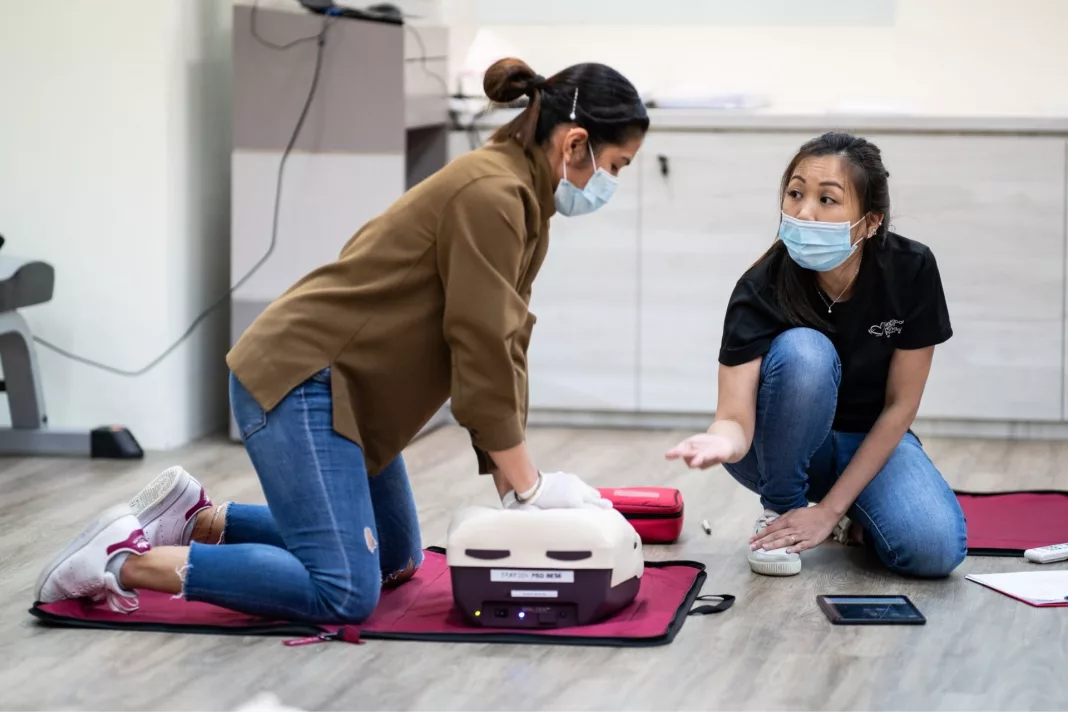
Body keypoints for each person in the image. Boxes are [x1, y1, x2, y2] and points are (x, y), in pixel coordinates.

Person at [34, 58, 649, 621]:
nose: (610, 183)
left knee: (396, 559)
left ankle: (198, 521)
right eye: (615, 166)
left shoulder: (525, 201)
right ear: (574, 143)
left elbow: (507, 346)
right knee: (344, 590)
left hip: (347, 393)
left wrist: (516, 490)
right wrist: (535, 488)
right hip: (303, 381)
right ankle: (121, 559)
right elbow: (481, 347)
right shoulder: (491, 194)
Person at [666, 132, 966, 578]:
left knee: (934, 551)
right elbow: (733, 415)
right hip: (775, 450)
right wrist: (723, 440)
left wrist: (829, 511)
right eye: (795, 193)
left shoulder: (911, 269)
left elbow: (901, 405)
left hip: (870, 440)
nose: (804, 211)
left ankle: (849, 513)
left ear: (870, 222)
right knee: (806, 351)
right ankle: (781, 512)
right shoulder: (760, 285)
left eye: (827, 200)